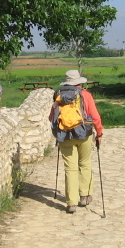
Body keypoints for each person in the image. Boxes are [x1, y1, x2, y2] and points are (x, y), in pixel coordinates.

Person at [49, 70, 103, 213]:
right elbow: (96, 116)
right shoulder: (85, 95)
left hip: (64, 135)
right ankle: (84, 196)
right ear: (79, 81)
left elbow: (51, 117)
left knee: (70, 168)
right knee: (85, 163)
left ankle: (71, 203)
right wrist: (99, 133)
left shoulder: (58, 95)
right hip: (84, 133)